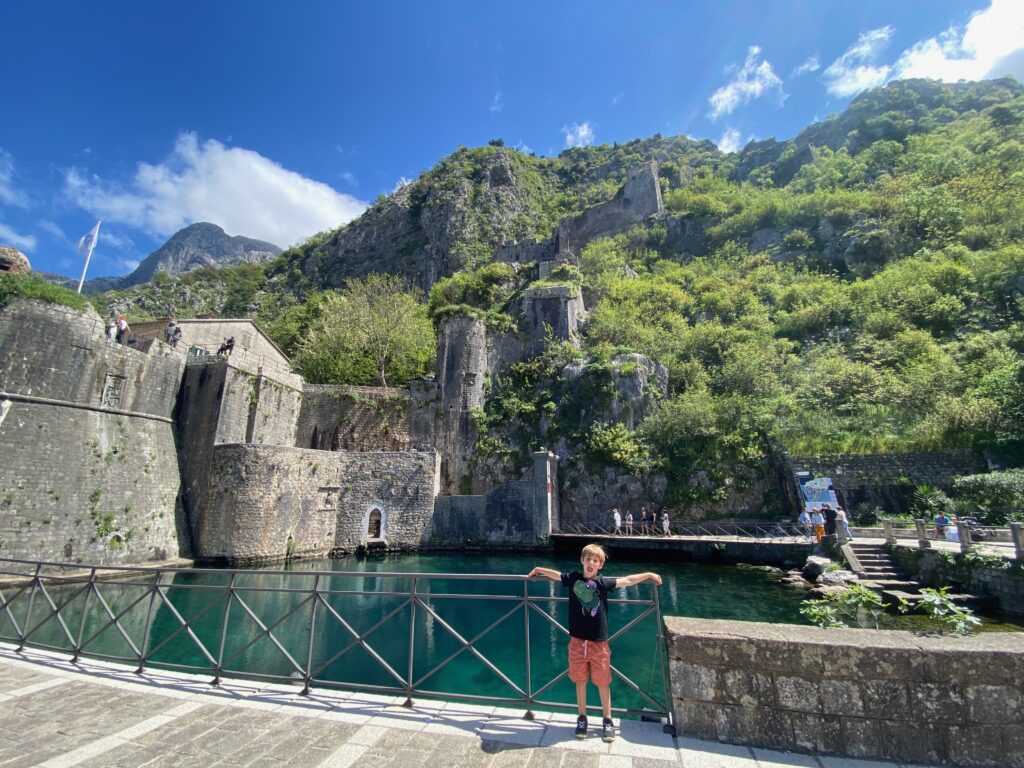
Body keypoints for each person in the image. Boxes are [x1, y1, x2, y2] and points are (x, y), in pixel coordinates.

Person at [528, 545, 662, 743]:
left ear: (600, 565)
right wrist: (539, 569)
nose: (591, 563)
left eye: (595, 560)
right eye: (588, 559)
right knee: (580, 681)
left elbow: (627, 580)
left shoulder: (602, 583)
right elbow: (556, 575)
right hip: (577, 642)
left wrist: (648, 574)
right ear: (582, 561)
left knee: (602, 682)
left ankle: (607, 719)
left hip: (599, 643)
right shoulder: (574, 578)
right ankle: (582, 717)